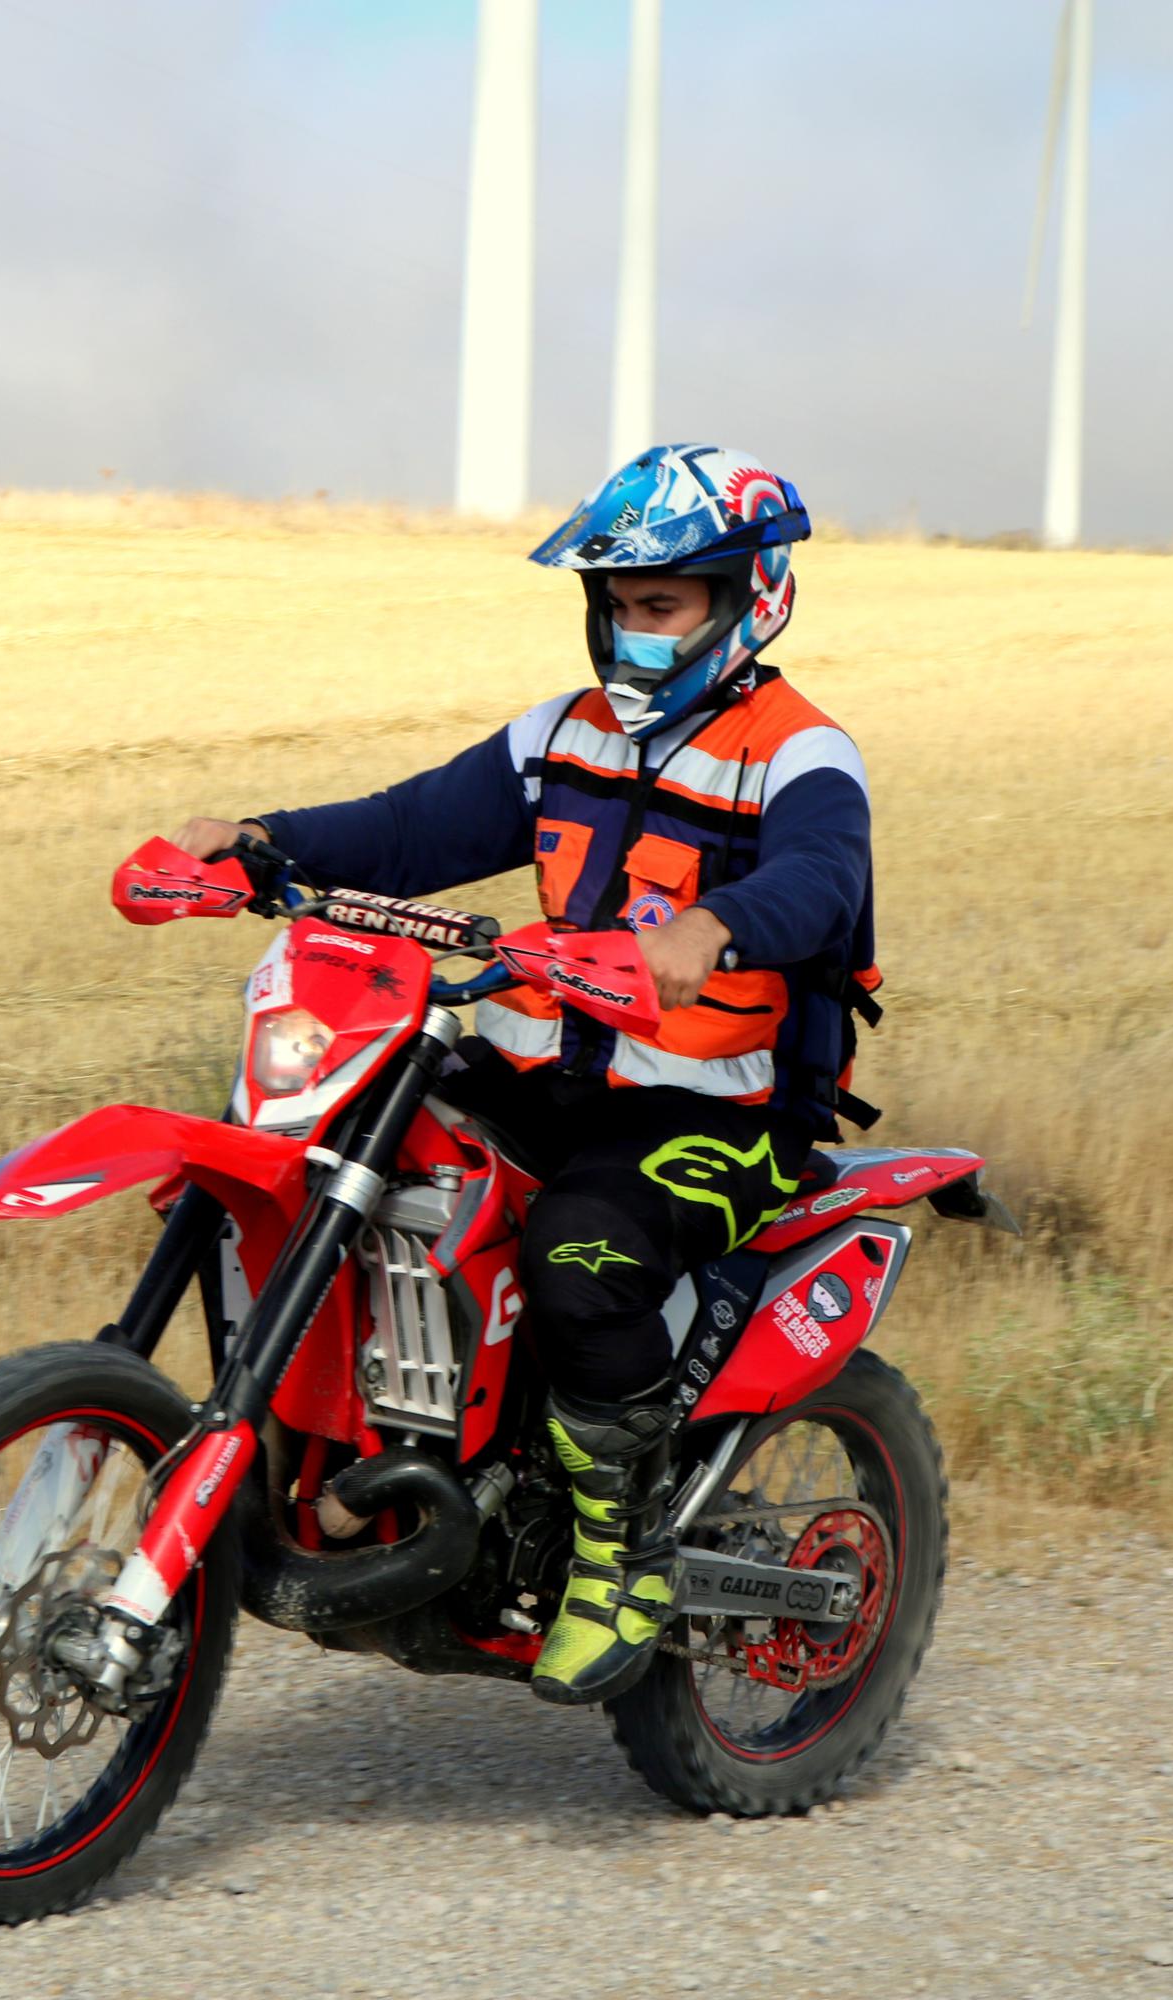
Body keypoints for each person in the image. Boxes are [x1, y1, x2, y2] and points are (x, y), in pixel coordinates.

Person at [169, 444, 879, 1706]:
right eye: (616, 604)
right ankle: (325, 1450)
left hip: (720, 1112)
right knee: (321, 1158)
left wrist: (715, 927)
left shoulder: (801, 754)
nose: (633, 631)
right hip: (549, 1076)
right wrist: (263, 839)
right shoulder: (564, 733)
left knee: (579, 1254)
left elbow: (820, 878)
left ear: (745, 595)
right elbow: (411, 826)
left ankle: (626, 1556)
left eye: (661, 604)